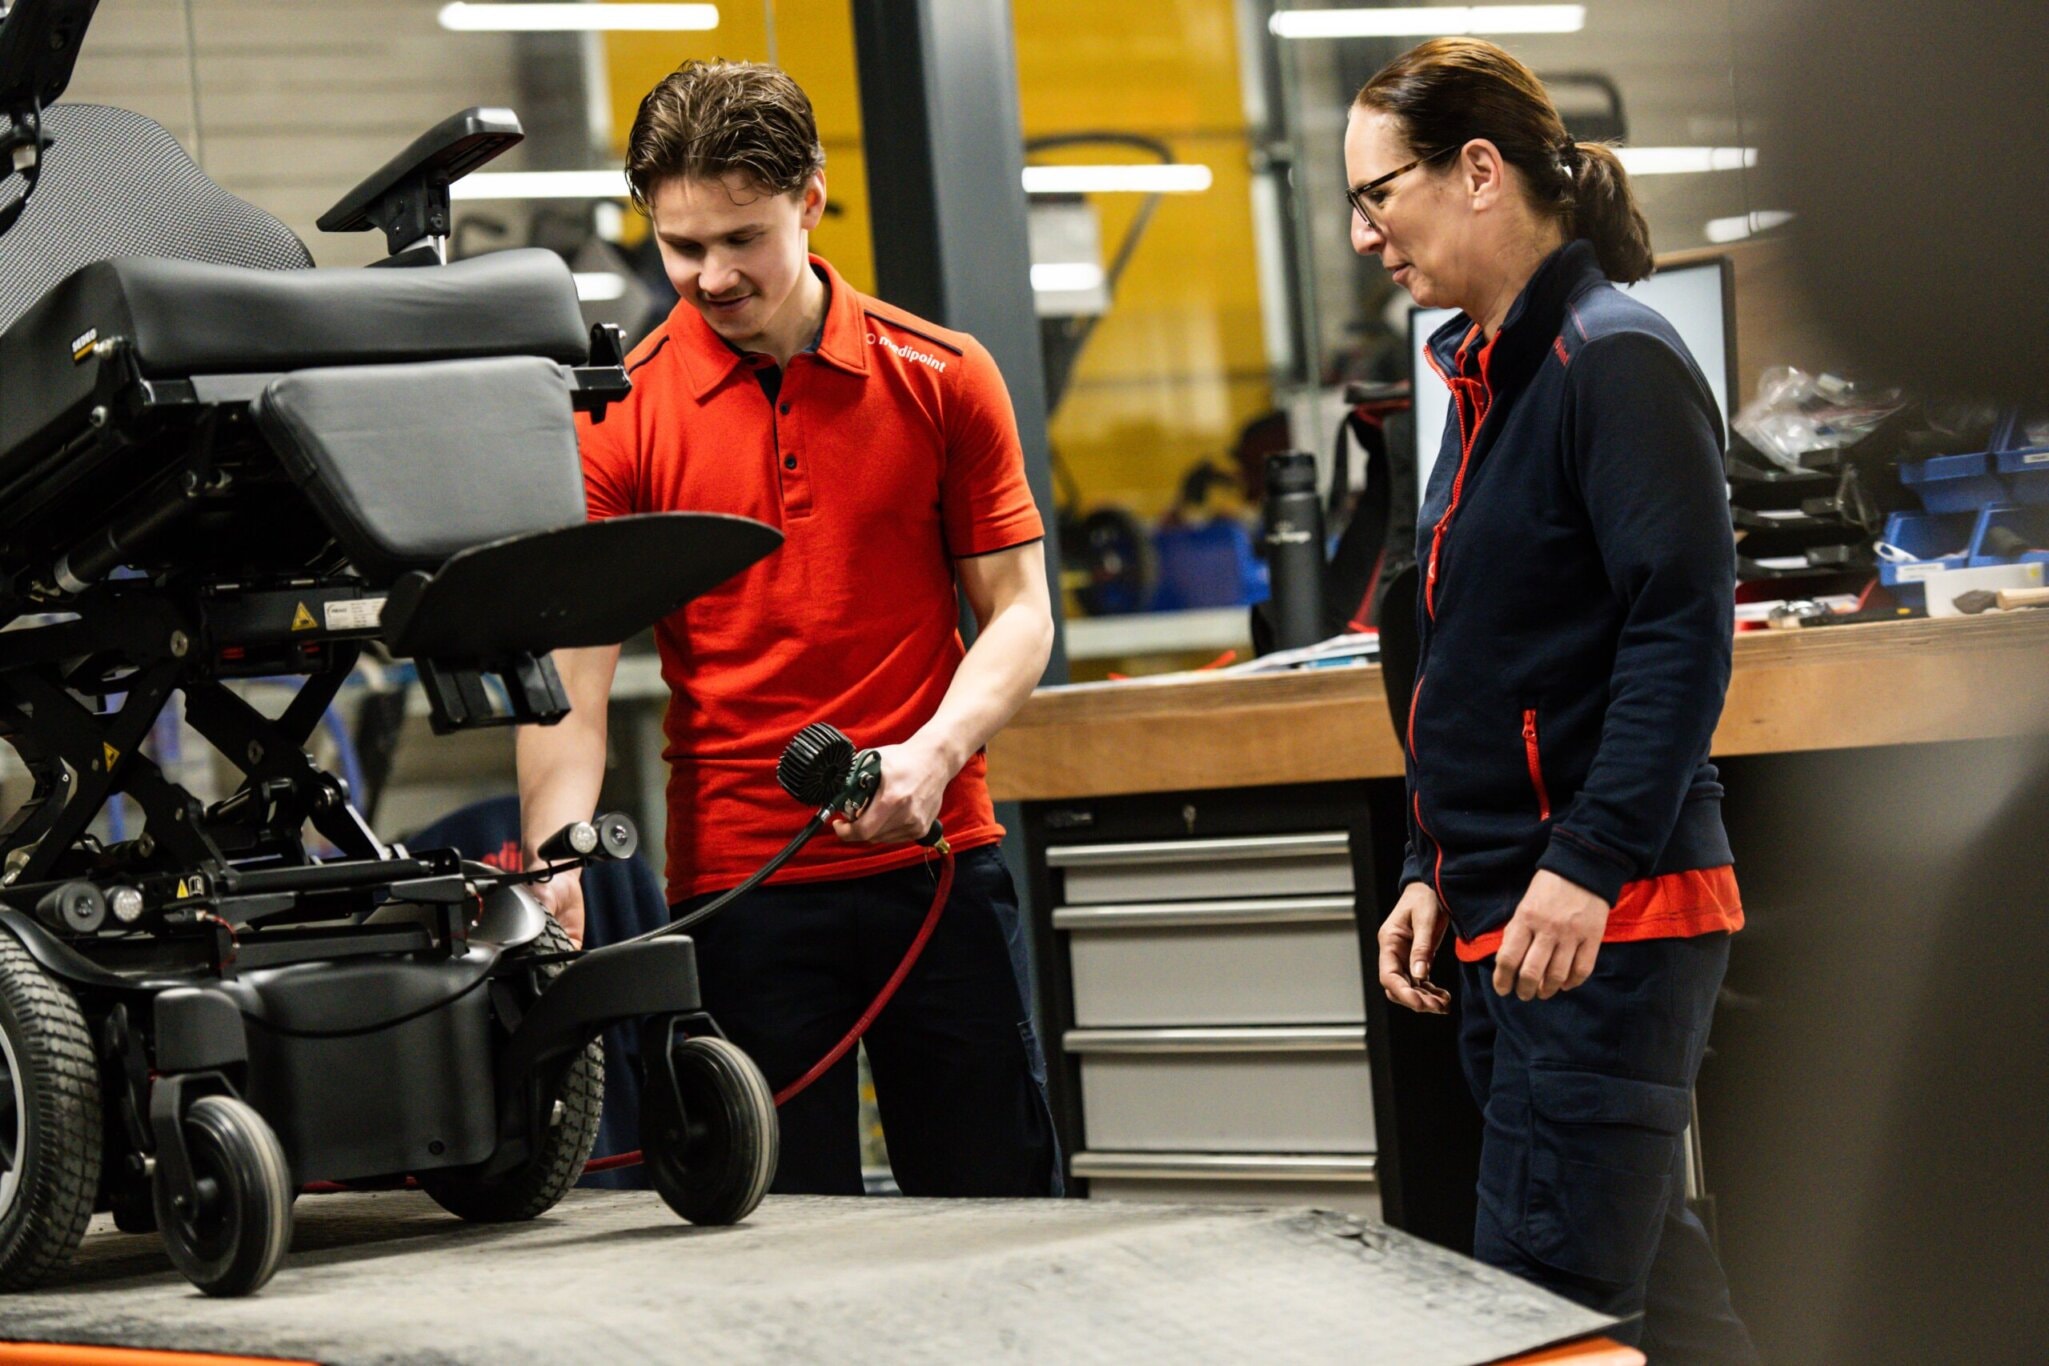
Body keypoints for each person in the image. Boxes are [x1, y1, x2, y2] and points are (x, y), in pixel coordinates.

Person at [515, 60, 1058, 1198]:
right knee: (771, 1236)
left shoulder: (944, 377)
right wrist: (559, 854)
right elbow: (573, 679)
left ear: (809, 199)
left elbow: (1017, 612)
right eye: (681, 245)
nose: (710, 275)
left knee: (994, 1215)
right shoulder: (617, 412)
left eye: (741, 239)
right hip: (739, 886)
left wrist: (936, 754)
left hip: (937, 862)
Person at [1352, 38, 1759, 1360]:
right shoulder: (1481, 377)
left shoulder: (1612, 359)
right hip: (1509, 912)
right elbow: (1463, 658)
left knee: (1541, 1316)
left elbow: (1680, 634)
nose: (1366, 233)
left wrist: (1584, 863)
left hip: (1601, 917)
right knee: (1648, 1294)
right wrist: (1430, 859)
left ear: (1478, 170)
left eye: (1379, 194)